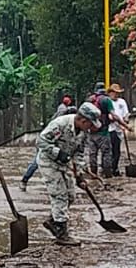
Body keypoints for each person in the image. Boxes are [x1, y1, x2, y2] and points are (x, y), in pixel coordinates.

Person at [35, 101, 105, 247]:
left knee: (71, 196)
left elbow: (79, 154)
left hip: (64, 164)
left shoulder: (84, 133)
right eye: (90, 124)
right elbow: (40, 141)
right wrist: (57, 153)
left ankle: (53, 221)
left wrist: (79, 175)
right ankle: (62, 234)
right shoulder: (60, 124)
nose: (91, 128)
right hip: (49, 163)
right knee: (60, 195)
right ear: (82, 120)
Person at [22, 93, 77, 189]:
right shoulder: (61, 118)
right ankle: (25, 180)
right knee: (36, 162)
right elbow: (45, 139)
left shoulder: (70, 124)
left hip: (55, 143)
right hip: (47, 141)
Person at [83, 82, 114, 177]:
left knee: (92, 153)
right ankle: (107, 174)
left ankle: (93, 173)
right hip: (103, 132)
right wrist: (123, 124)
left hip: (91, 132)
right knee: (106, 153)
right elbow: (113, 114)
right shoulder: (106, 100)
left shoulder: (89, 100)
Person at [105, 84, 130, 178]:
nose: (116, 95)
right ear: (110, 92)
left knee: (117, 151)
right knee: (110, 150)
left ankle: (114, 168)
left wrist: (125, 120)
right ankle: (110, 168)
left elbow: (126, 113)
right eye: (114, 92)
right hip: (110, 129)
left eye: (117, 93)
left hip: (119, 129)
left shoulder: (122, 102)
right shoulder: (107, 102)